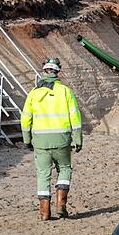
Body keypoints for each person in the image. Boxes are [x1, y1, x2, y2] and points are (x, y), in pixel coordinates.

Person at [21, 58, 82, 221]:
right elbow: (75, 117)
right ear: (57, 72)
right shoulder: (65, 91)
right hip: (62, 140)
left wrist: (27, 140)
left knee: (43, 174)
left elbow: (25, 119)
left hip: (40, 142)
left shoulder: (33, 93)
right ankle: (61, 205)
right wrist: (78, 139)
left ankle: (44, 213)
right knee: (65, 168)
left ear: (44, 71)